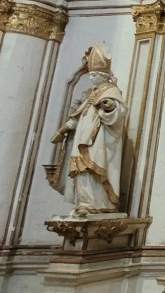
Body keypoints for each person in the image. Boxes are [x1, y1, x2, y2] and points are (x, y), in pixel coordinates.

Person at [51, 44, 127, 215]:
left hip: (97, 141)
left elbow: (119, 111)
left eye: (94, 75)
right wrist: (64, 129)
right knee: (81, 171)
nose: (91, 78)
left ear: (103, 75)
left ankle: (100, 203)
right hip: (83, 138)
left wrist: (109, 106)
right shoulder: (92, 93)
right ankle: (84, 203)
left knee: (93, 169)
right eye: (91, 75)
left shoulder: (111, 90)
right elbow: (79, 115)